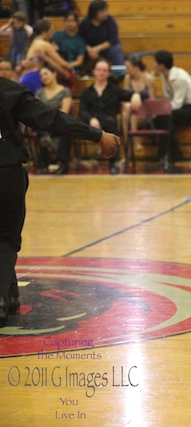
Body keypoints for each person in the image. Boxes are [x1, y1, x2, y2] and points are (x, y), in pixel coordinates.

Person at [0, 76, 120, 327]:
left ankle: (10, 295)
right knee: (6, 238)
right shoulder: (9, 91)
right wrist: (96, 134)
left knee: (6, 239)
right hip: (6, 174)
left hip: (8, 171)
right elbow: (51, 119)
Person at [79, 59, 142, 174]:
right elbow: (82, 111)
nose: (101, 73)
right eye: (99, 70)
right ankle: (63, 163)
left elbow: (130, 95)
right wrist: (91, 119)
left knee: (111, 123)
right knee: (71, 126)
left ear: (108, 73)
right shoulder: (86, 92)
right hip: (90, 122)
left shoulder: (114, 89)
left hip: (108, 121)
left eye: (104, 70)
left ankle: (113, 162)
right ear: (94, 72)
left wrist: (136, 95)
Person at [153, 50, 191, 167]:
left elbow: (177, 103)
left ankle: (169, 154)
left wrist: (162, 110)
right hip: (180, 108)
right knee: (158, 119)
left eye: (155, 63)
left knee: (166, 118)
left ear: (162, 65)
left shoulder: (180, 78)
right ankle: (172, 153)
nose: (153, 65)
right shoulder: (164, 75)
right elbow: (168, 97)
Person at [34, 65, 73, 174]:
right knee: (39, 127)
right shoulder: (39, 92)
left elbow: (64, 111)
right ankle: (43, 163)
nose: (43, 77)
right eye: (41, 76)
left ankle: (63, 163)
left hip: (59, 121)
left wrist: (49, 117)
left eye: (46, 74)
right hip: (44, 123)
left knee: (65, 129)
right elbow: (36, 111)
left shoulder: (65, 91)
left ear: (54, 73)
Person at [79, 0, 125, 72]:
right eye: (102, 11)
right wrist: (90, 50)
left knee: (115, 50)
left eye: (106, 11)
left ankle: (119, 73)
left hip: (106, 47)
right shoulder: (85, 23)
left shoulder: (110, 21)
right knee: (79, 50)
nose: (105, 13)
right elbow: (81, 39)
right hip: (90, 49)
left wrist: (97, 49)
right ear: (94, 12)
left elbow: (113, 39)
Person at [122, 56, 156, 152]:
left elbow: (153, 102)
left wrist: (139, 100)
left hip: (146, 114)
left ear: (136, 68)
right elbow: (125, 100)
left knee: (130, 109)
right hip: (130, 114)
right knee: (128, 109)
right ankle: (130, 146)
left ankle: (129, 149)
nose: (126, 70)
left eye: (128, 67)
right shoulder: (127, 79)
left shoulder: (148, 79)